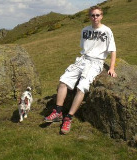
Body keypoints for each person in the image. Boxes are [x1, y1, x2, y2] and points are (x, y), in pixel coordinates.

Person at [44, 5, 117, 134]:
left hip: (96, 62)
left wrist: (111, 67)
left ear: (102, 16)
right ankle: (58, 112)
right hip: (83, 59)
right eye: (92, 15)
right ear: (89, 16)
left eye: (97, 15)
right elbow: (85, 47)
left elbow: (113, 50)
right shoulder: (85, 30)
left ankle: (69, 118)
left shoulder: (107, 31)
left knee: (82, 87)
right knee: (63, 81)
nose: (95, 17)